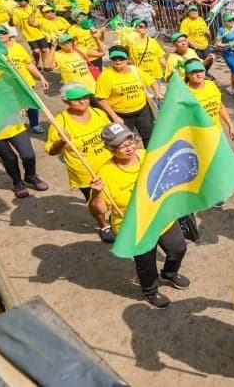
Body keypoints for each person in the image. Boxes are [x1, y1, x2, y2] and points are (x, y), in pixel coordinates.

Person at [89, 124, 190, 309]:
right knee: (146, 264)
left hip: (161, 217)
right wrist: (96, 193)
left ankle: (169, 273)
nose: (129, 147)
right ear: (110, 148)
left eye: (130, 141)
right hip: (134, 227)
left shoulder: (147, 156)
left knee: (178, 248)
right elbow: (100, 210)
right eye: (121, 145)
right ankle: (150, 291)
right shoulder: (105, 174)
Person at [45, 83, 112, 204]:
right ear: (66, 101)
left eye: (85, 97)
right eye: (76, 99)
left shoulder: (98, 113)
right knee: (96, 203)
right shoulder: (60, 123)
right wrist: (61, 142)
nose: (83, 102)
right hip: (85, 174)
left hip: (109, 167)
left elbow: (110, 135)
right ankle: (103, 223)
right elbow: (51, 151)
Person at [95, 46, 163, 145]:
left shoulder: (135, 70)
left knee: (149, 136)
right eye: (114, 59)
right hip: (122, 115)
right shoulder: (105, 76)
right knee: (125, 141)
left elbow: (152, 81)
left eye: (121, 58)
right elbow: (101, 98)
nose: (118, 61)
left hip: (143, 111)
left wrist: (158, 93)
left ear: (127, 58)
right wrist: (114, 117)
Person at [0, 25, 49, 134]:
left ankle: (34, 124)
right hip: (9, 86)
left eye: (2, 33)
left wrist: (41, 78)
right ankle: (17, 129)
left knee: (31, 105)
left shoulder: (18, 47)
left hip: (26, 83)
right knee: (15, 108)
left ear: (8, 34)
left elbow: (29, 65)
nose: (0, 36)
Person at [0, 114, 49, 199]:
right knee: (9, 158)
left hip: (15, 126)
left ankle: (31, 177)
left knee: (28, 155)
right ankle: (18, 182)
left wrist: (21, 104)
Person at [183, 59, 234, 141]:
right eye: (194, 72)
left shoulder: (211, 85)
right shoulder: (185, 92)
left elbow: (220, 107)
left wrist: (230, 126)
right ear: (187, 75)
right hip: (199, 137)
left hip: (217, 132)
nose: (199, 74)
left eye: (201, 71)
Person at [127, 18, 167, 89]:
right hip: (142, 75)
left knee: (157, 97)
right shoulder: (130, 43)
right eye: (140, 26)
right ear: (134, 29)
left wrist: (169, 69)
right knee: (148, 98)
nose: (144, 28)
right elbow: (128, 60)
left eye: (145, 26)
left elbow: (160, 58)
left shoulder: (153, 41)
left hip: (156, 74)